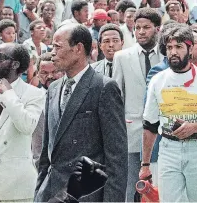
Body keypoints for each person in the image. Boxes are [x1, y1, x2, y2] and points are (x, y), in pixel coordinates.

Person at [34, 24, 128, 202]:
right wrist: (40, 191)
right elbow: (47, 152)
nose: (52, 52)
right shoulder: (53, 89)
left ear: (78, 49)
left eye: (58, 46)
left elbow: (116, 156)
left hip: (86, 193)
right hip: (52, 192)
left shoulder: (103, 87)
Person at [140, 24, 197, 202]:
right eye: (169, 47)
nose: (173, 52)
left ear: (190, 49)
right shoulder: (158, 81)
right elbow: (149, 125)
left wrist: (194, 127)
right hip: (168, 149)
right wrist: (145, 165)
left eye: (179, 47)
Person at [112, 8, 161, 201]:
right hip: (131, 131)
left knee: (158, 187)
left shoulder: (166, 56)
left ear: (157, 29)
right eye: (138, 27)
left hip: (161, 131)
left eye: (146, 27)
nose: (141, 31)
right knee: (132, 187)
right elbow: (116, 97)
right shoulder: (122, 57)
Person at [0, 43, 45, 202]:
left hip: (16, 188)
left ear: (15, 64)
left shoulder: (34, 94)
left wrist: (9, 95)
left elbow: (27, 126)